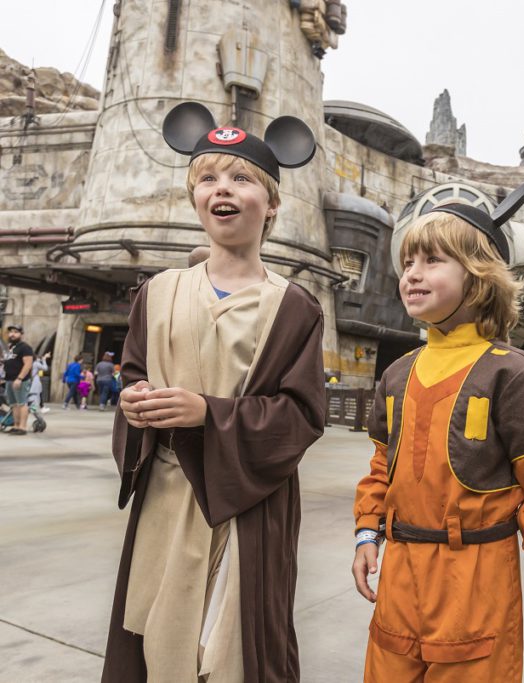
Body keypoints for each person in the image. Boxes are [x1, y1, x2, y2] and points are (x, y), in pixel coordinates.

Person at [101, 101, 324, 682]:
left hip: (245, 500)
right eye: (207, 178)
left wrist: (209, 413)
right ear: (194, 198)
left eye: (241, 177)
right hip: (166, 493)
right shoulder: (159, 291)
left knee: (229, 644)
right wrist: (133, 403)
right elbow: (132, 374)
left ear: (271, 205)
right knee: (156, 635)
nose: (221, 188)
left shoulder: (293, 305)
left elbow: (300, 415)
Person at [352, 182, 524, 682]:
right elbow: (379, 469)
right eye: (408, 262)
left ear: (478, 278)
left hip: (476, 578)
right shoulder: (397, 373)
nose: (412, 273)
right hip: (400, 576)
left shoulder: (514, 373)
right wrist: (368, 530)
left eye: (432, 260)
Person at [2, 324, 34, 435]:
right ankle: (16, 425)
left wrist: (19, 378)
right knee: (14, 404)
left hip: (20, 380)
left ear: (21, 334)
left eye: (15, 332)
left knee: (21, 403)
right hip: (9, 379)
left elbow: (28, 364)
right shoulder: (11, 348)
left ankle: (23, 427)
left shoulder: (25, 347)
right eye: (11, 332)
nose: (12, 334)